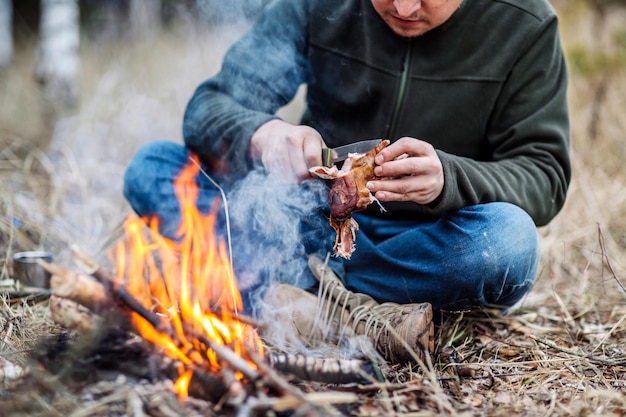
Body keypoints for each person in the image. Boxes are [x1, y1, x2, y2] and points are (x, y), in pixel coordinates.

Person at [123, 0, 570, 363]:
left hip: (423, 244)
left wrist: (450, 179)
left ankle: (281, 288)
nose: (405, 7)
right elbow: (211, 105)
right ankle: (351, 312)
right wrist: (263, 136)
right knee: (153, 167)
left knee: (510, 244)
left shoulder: (526, 25)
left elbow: (544, 173)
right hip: (302, 224)